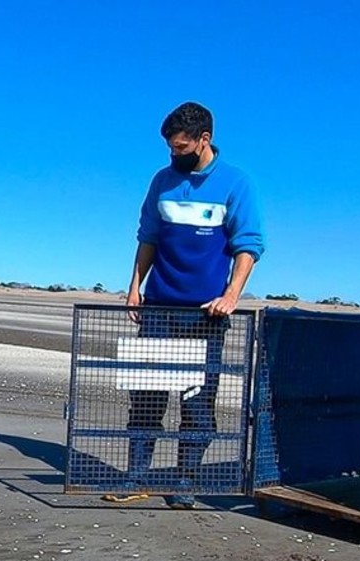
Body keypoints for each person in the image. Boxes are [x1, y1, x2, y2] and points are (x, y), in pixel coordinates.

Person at [102, 101, 265, 509]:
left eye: (180, 146)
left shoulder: (236, 183)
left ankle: (185, 481)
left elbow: (249, 246)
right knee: (147, 399)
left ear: (203, 140)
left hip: (205, 315)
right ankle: (135, 478)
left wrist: (231, 296)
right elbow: (148, 238)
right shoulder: (161, 181)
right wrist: (135, 287)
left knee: (196, 403)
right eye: (170, 147)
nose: (173, 154)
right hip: (158, 308)